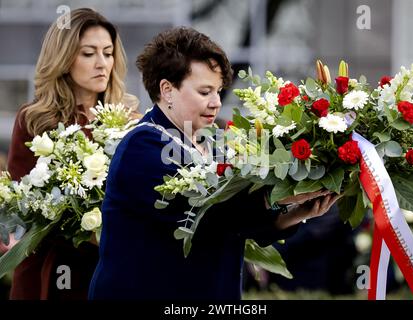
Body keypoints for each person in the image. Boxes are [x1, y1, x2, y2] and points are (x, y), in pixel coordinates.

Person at [89, 27, 340, 300]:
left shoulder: (214, 144)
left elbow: (235, 225)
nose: (216, 103)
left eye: (219, 91)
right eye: (205, 91)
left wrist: (295, 212)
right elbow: (207, 214)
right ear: (167, 90)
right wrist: (278, 195)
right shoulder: (142, 146)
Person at [4, 7, 139, 300]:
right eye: (89, 54)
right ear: (64, 59)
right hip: (51, 270)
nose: (102, 64)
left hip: (115, 269)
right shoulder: (35, 120)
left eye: (108, 52)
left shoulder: (129, 120)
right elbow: (22, 205)